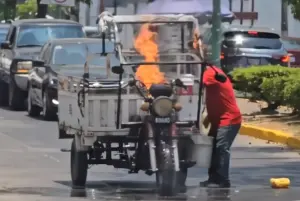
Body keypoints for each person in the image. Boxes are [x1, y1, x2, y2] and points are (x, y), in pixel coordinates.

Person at [200, 65, 242, 188]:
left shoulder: (210, 72)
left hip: (229, 119)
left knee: (221, 148)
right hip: (216, 120)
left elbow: (198, 84)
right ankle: (213, 178)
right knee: (212, 149)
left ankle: (223, 180)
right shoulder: (210, 71)